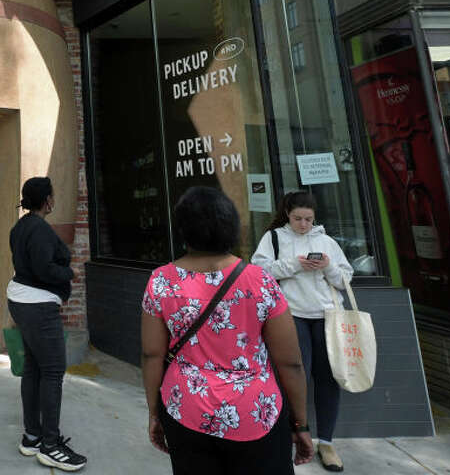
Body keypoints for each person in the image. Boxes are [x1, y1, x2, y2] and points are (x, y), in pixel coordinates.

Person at [141, 186, 313, 474]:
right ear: (231, 226)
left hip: (186, 409)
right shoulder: (260, 281)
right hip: (255, 412)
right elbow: (291, 362)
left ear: (183, 229)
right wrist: (301, 423)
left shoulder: (161, 282)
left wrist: (154, 413)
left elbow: (151, 355)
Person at [251, 191, 354, 473]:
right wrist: (295, 264)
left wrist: (327, 266)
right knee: (293, 377)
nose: (303, 224)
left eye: (308, 219)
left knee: (328, 379)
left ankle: (327, 442)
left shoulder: (327, 241)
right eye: (298, 218)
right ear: (288, 214)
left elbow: (346, 279)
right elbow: (259, 273)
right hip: (290, 314)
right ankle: (289, 438)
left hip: (327, 317)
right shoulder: (274, 238)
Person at [7, 176, 86, 472]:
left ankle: (32, 437)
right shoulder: (39, 228)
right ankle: (50, 446)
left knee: (34, 368)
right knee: (52, 371)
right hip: (38, 305)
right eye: (52, 196)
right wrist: (70, 273)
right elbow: (43, 269)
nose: (54, 200)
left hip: (23, 300)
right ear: (46, 200)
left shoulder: (21, 226)